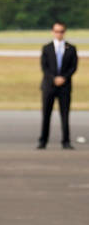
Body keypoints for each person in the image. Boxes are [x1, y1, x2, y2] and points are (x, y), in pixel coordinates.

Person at [38, 21, 78, 150]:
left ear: (64, 32)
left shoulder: (71, 48)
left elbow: (73, 67)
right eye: (56, 31)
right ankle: (43, 141)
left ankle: (66, 141)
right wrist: (53, 78)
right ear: (52, 32)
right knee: (46, 114)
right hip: (49, 86)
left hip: (65, 87)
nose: (58, 34)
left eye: (61, 31)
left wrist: (64, 78)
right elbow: (44, 67)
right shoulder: (47, 48)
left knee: (65, 115)